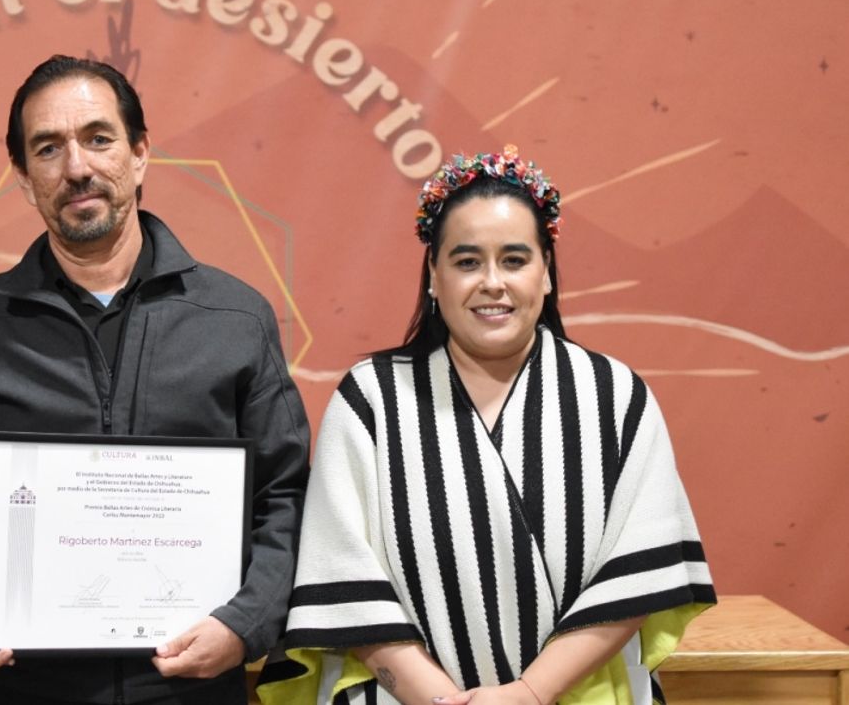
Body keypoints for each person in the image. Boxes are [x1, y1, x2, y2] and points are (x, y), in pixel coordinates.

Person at [0, 54, 311, 704]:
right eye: (48, 148)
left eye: (98, 138)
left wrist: (245, 624)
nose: (77, 167)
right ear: (24, 179)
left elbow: (285, 498)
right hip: (27, 690)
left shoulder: (235, 319)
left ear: (140, 153)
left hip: (193, 692)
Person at [259, 146, 715, 705]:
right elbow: (344, 577)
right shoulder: (372, 399)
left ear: (546, 273)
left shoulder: (613, 396)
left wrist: (529, 692)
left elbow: (638, 574)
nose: (492, 283)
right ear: (434, 275)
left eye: (515, 260)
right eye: (467, 261)